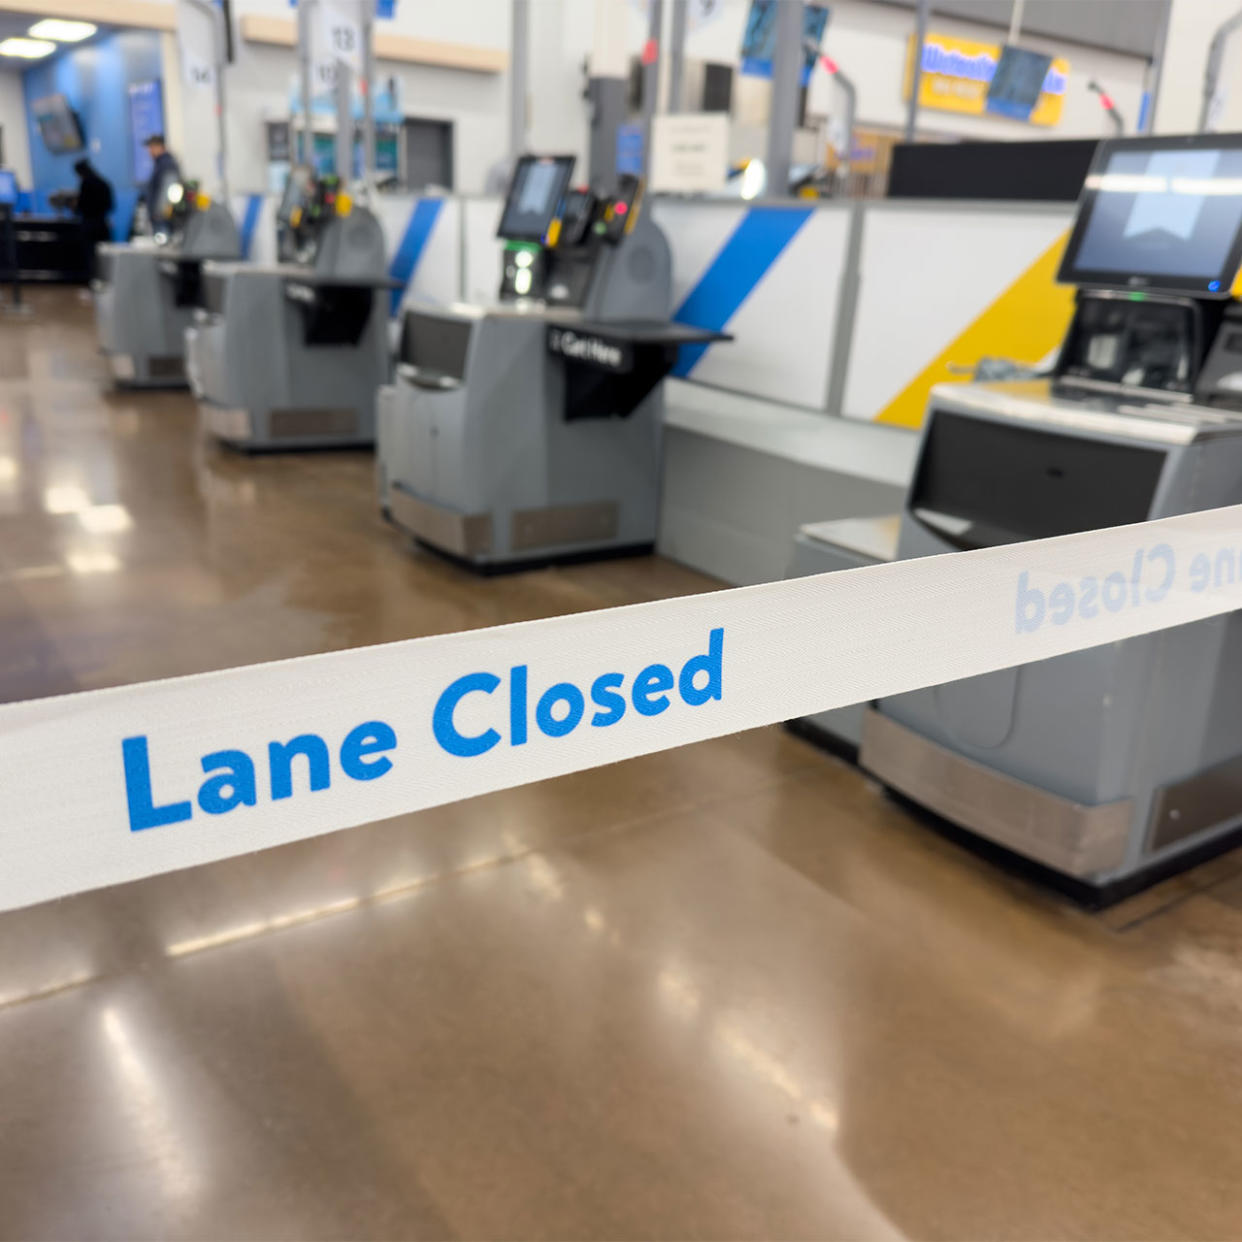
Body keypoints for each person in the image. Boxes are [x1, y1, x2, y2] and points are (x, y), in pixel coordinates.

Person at [73, 158, 113, 250]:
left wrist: (74, 206)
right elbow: (110, 206)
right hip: (102, 226)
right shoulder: (104, 183)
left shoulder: (85, 184)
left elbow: (81, 206)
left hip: (88, 228)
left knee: (90, 258)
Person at [142, 133, 181, 227]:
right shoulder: (160, 164)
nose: (149, 151)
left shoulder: (167, 164)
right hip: (160, 216)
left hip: (163, 218)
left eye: (152, 147)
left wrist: (160, 212)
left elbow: (168, 189)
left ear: (160, 147)